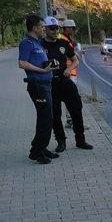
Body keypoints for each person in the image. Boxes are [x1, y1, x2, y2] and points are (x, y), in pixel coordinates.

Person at [41, 17, 93, 153]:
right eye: (52, 28)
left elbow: (75, 60)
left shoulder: (63, 43)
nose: (55, 31)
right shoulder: (40, 45)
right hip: (50, 84)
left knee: (76, 110)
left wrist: (69, 69)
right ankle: (61, 141)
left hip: (65, 81)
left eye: (56, 28)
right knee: (55, 114)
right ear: (45, 29)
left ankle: (80, 140)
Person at [18, 15, 59, 164]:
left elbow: (38, 61)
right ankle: (36, 151)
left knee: (47, 117)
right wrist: (42, 71)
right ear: (34, 28)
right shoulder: (26, 43)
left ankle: (42, 147)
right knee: (45, 118)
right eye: (42, 26)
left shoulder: (38, 42)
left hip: (45, 84)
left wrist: (49, 65)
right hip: (37, 85)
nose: (43, 29)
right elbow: (22, 63)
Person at [59, 18, 79, 130]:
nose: (74, 30)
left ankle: (71, 120)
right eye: (73, 28)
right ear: (67, 28)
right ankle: (71, 120)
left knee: (70, 97)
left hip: (70, 71)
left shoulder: (67, 39)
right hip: (68, 71)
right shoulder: (63, 39)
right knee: (71, 97)